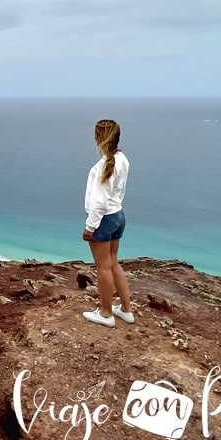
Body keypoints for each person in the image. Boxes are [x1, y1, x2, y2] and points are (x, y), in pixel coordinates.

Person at [81, 119, 134, 327]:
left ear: (98, 137)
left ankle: (106, 314)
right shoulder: (122, 159)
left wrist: (90, 226)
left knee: (103, 267)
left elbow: (98, 201)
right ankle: (126, 310)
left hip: (103, 219)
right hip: (118, 215)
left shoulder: (103, 165)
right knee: (113, 262)